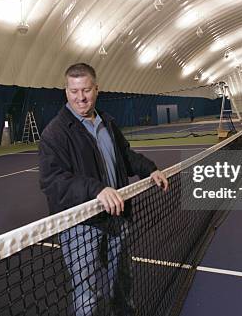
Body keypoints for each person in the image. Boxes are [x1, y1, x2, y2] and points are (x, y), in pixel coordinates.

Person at [38, 63, 168, 316]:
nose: (81, 97)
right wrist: (96, 189)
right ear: (66, 91)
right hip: (81, 226)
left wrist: (149, 169)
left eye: (86, 90)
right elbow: (52, 181)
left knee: (121, 280)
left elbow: (125, 156)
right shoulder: (54, 133)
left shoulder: (107, 122)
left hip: (116, 218)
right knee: (87, 291)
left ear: (96, 89)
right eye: (74, 91)